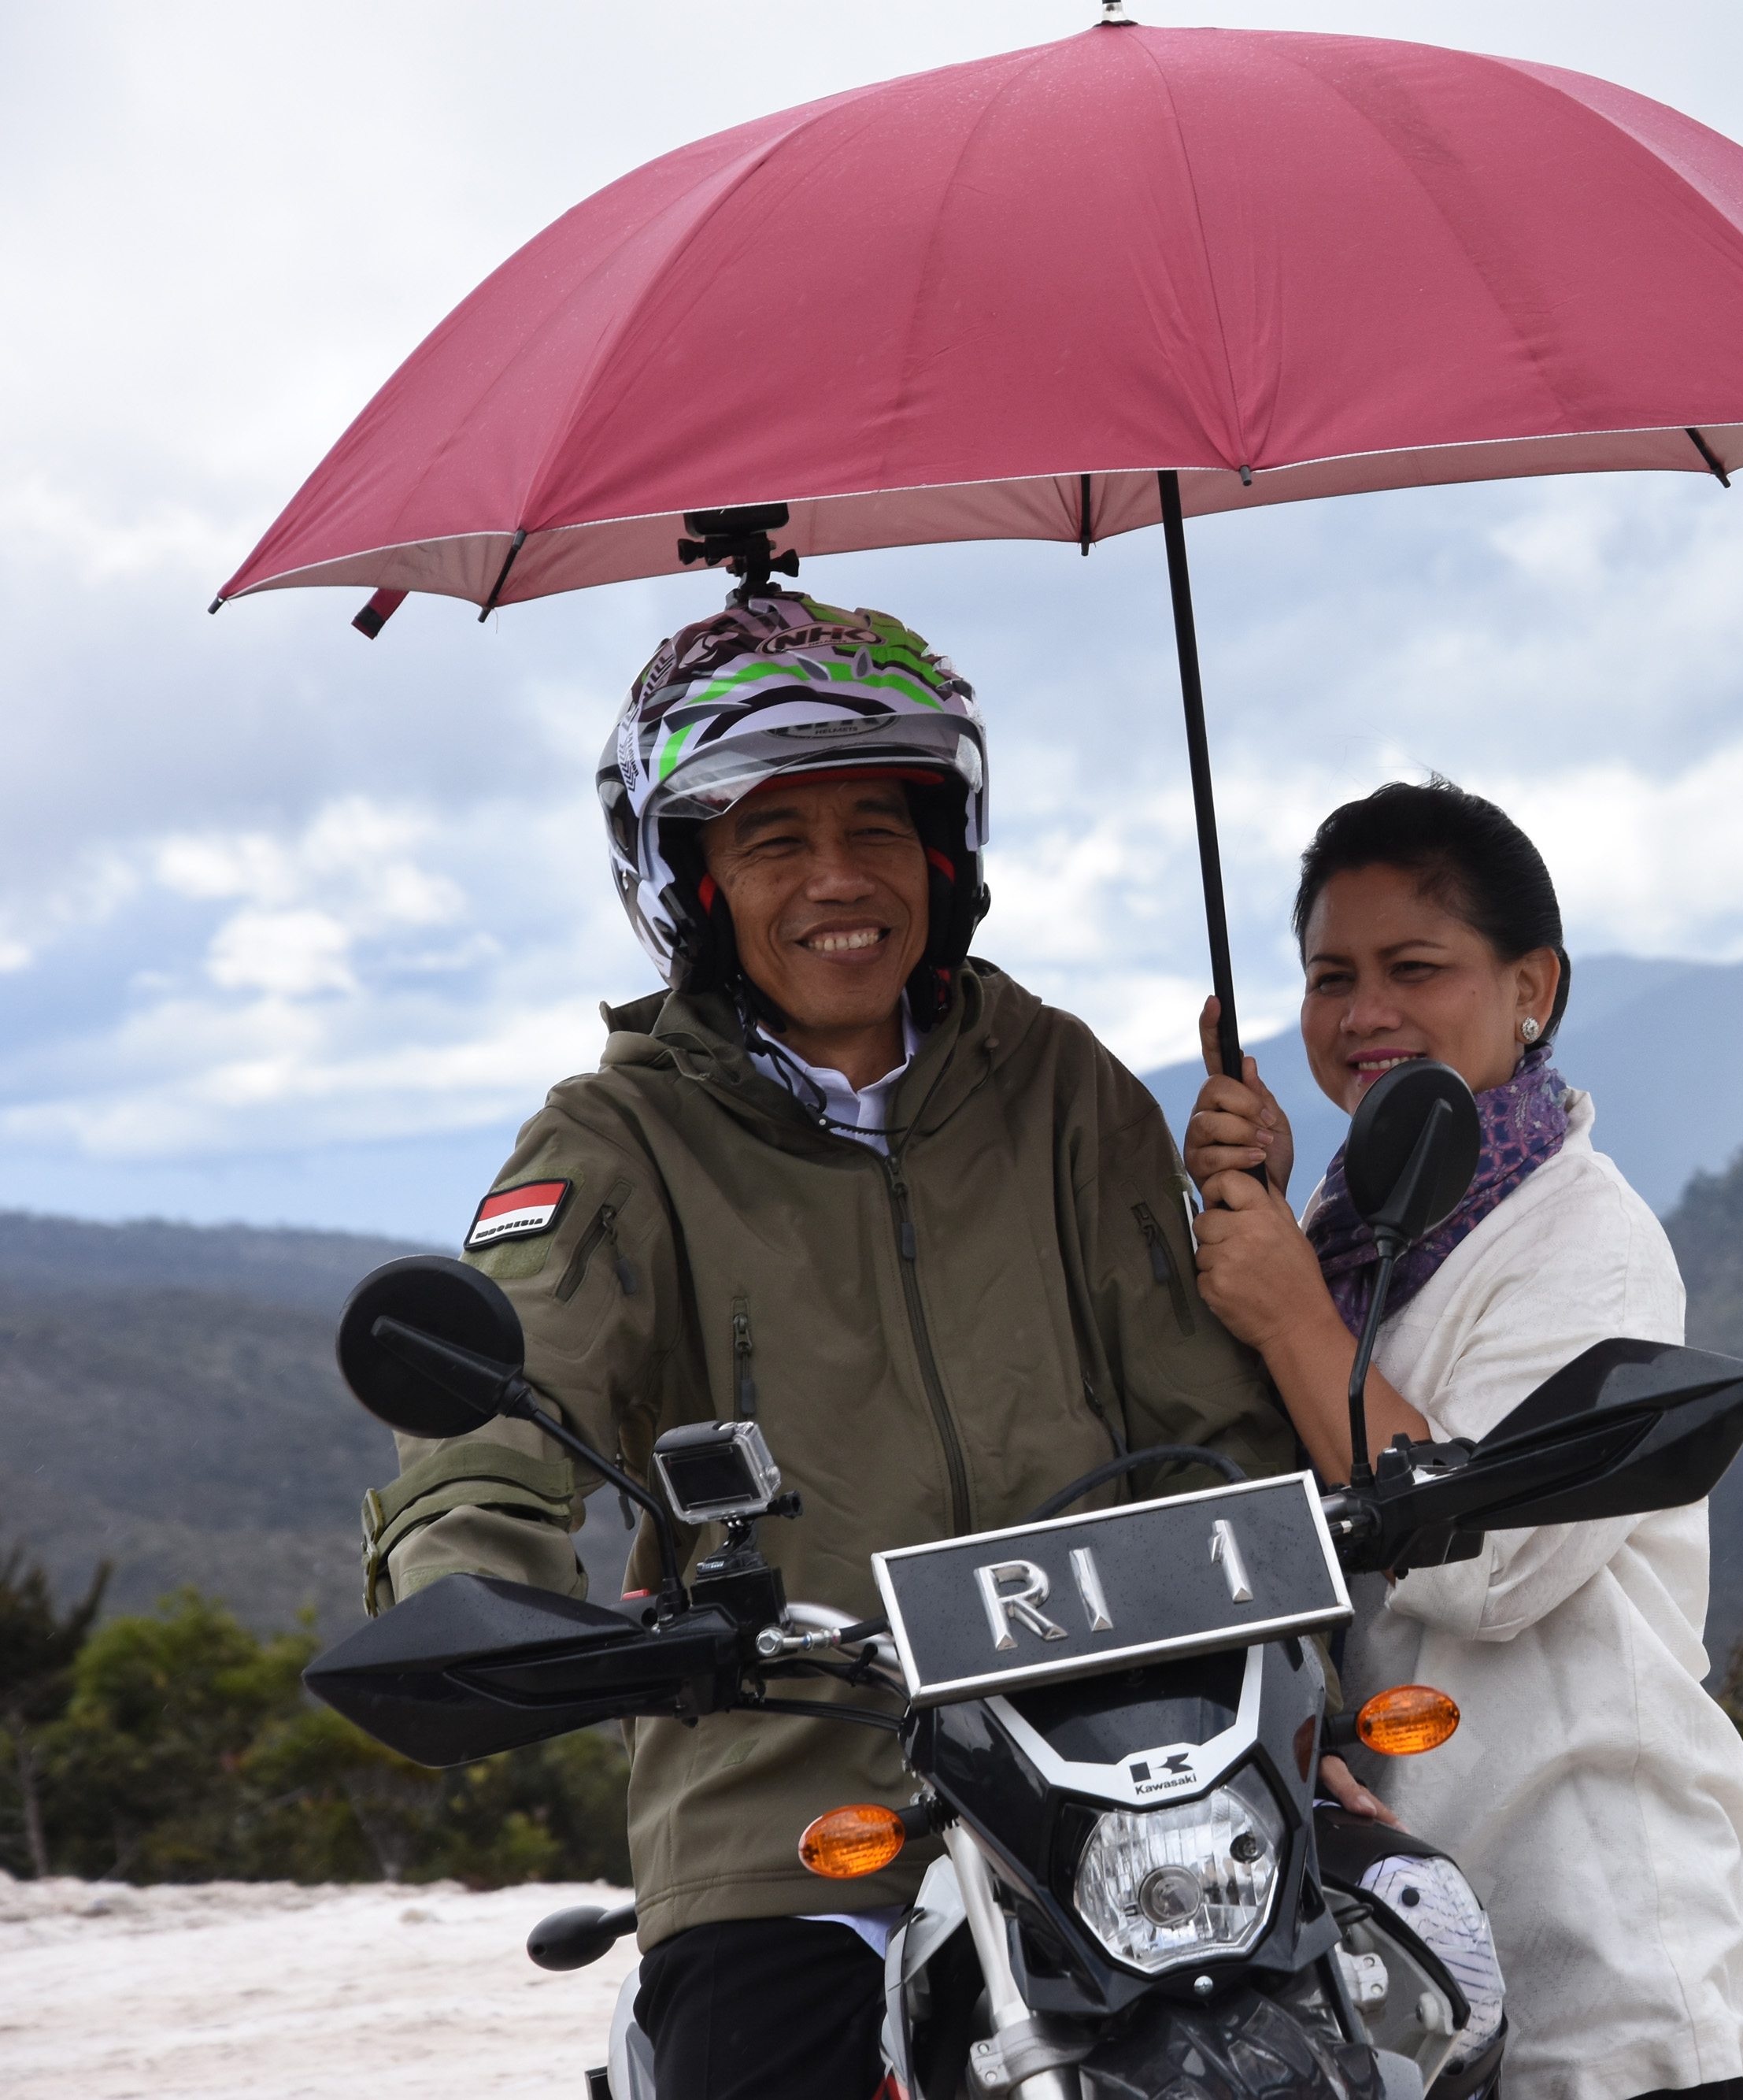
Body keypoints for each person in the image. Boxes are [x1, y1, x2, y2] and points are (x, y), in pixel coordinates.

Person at [355, 589, 1297, 2100]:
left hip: (1121, 1751)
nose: (839, 880)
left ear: (946, 851)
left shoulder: (1060, 1084)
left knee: (1393, 1999)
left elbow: (1208, 1416)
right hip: (792, 1779)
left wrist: (1306, 1584)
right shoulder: (616, 1139)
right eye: (775, 841)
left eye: (877, 826)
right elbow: (501, 1401)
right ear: (693, 882)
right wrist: (478, 1594)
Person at [1185, 779, 1743, 2100]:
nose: (1364, 1013)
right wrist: (1269, 1219)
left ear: (1533, 988)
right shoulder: (1353, 1223)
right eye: (1330, 975)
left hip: (1592, 1934)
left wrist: (1286, 1309)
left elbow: (1493, 1566)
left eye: (1414, 967)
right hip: (1406, 1942)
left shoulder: (1586, 1240)